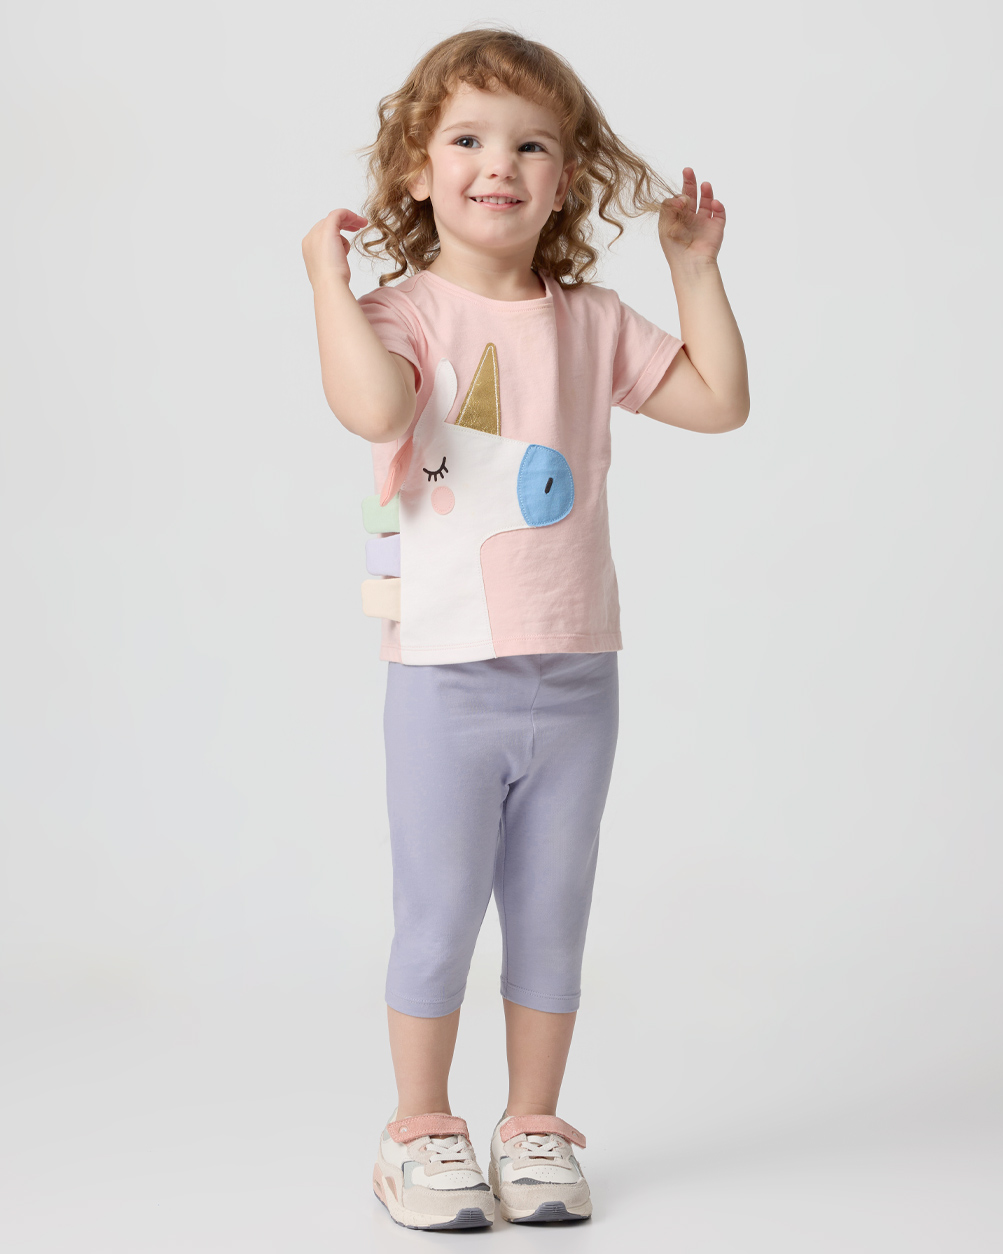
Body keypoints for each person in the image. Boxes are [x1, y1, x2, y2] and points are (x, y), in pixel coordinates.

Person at [301, 27, 748, 1230]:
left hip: (577, 671)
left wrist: (693, 270)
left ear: (566, 180)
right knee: (440, 911)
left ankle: (534, 1126)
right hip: (446, 676)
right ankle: (419, 1129)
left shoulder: (592, 320)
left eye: (531, 145)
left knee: (552, 913)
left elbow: (719, 402)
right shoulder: (404, 312)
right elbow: (374, 409)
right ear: (415, 170)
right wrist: (327, 286)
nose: (497, 163)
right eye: (466, 139)